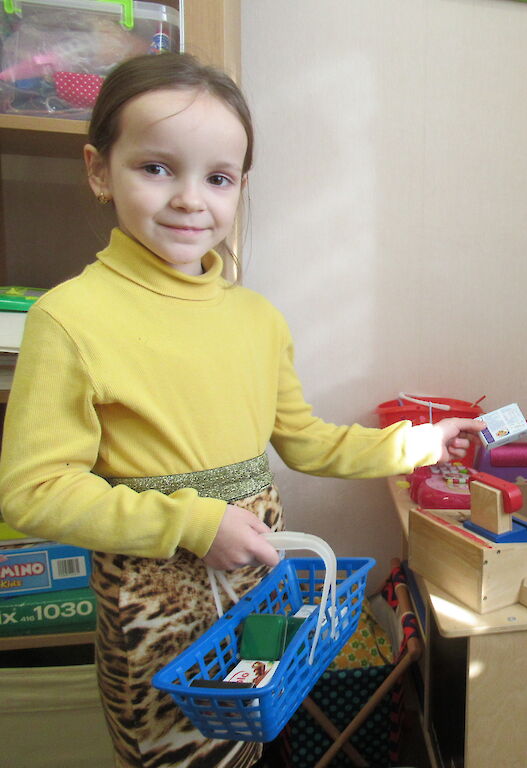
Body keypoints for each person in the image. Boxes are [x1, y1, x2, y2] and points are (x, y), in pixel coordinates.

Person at [0, 53, 481, 768]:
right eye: (157, 168)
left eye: (218, 178)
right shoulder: (69, 319)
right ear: (99, 170)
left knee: (252, 733)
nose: (190, 200)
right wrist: (196, 525)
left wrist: (419, 444)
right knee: (181, 757)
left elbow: (306, 441)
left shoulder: (258, 319)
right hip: (157, 608)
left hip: (260, 578)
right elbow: (33, 492)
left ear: (240, 188)